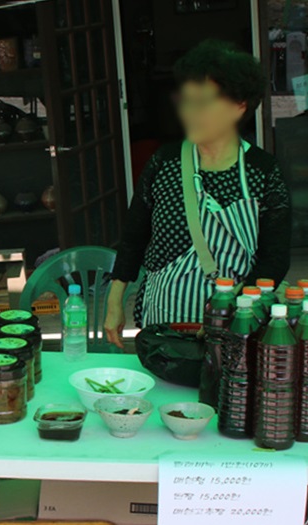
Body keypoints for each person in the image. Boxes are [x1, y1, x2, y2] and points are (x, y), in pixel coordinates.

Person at [105, 40, 292, 347]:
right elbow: (133, 237)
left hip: (236, 321)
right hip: (166, 317)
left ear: (239, 105)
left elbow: (275, 259)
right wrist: (114, 302)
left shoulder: (262, 170)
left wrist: (229, 311)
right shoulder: (165, 162)